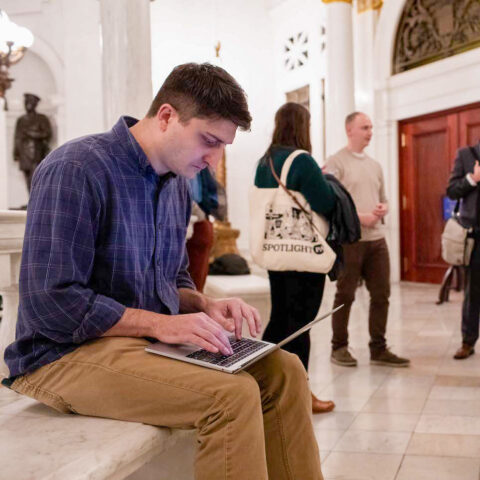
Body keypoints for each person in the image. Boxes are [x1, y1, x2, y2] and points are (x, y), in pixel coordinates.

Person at [2, 63, 324, 480]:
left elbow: (171, 279)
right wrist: (162, 324)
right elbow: (51, 302)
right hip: (61, 355)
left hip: (137, 344)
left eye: (222, 146)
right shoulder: (77, 169)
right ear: (168, 116)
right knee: (230, 397)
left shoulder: (175, 183)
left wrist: (204, 304)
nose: (213, 161)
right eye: (209, 141)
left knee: (286, 371)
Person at [254, 102, 336, 414]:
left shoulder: (265, 160)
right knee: (300, 326)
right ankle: (300, 395)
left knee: (280, 320)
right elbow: (325, 202)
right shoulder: (301, 160)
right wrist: (322, 180)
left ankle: (262, 384)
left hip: (277, 253)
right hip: (303, 255)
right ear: (303, 126)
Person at [325, 112, 410, 368]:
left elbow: (383, 198)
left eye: (372, 127)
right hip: (350, 240)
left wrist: (383, 209)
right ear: (349, 130)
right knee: (345, 294)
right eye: (365, 127)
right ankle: (338, 347)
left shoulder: (375, 165)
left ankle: (379, 348)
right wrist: (359, 217)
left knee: (382, 294)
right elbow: (331, 203)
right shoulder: (336, 162)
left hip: (377, 240)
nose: (370, 131)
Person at [446, 141, 480, 359]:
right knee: (473, 292)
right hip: (475, 235)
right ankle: (468, 341)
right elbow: (451, 191)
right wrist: (473, 179)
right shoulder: (466, 154)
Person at [13, 93, 52, 191]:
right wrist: (15, 153)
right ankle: (31, 201)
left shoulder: (42, 118)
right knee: (27, 178)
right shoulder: (21, 120)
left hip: (36, 153)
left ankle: (36, 201)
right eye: (25, 102)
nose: (26, 104)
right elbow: (17, 137)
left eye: (29, 102)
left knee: (35, 177)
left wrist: (31, 133)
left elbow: (47, 134)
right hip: (23, 153)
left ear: (34, 104)